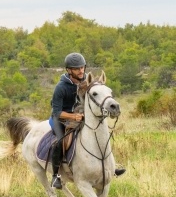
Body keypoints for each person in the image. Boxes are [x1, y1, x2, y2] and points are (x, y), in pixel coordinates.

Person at [49, 52, 126, 189]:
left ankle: (110, 168)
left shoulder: (86, 82)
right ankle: (56, 176)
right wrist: (73, 116)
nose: (81, 70)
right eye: (77, 68)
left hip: (81, 116)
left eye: (82, 67)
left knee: (100, 134)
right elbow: (56, 112)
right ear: (69, 70)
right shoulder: (61, 88)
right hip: (60, 119)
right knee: (60, 142)